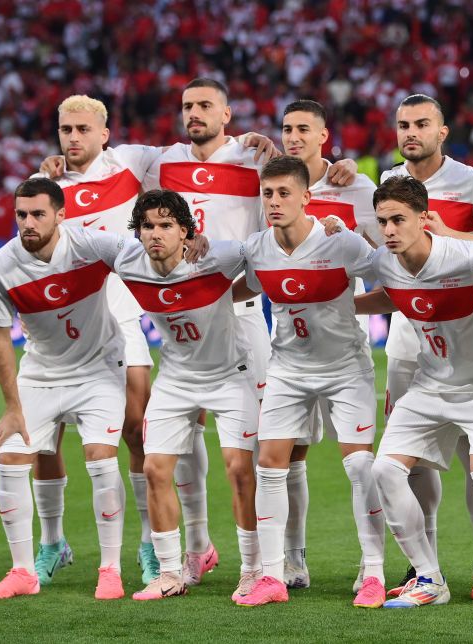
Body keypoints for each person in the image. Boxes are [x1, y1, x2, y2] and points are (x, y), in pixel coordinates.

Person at [33, 93, 267, 586]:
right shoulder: (61, 189)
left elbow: (276, 224)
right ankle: (191, 548)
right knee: (167, 443)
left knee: (265, 454)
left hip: (232, 314)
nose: (73, 138)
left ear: (104, 131)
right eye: (65, 130)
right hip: (155, 316)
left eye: (82, 129)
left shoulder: (145, 159)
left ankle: (274, 564)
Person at [141, 79, 357, 586]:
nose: (194, 113)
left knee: (278, 448)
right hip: (186, 319)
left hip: (242, 314)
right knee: (182, 434)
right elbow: (94, 159)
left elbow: (302, 180)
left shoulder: (254, 157)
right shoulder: (157, 160)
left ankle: (287, 557)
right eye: (187, 106)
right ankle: (197, 547)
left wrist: (339, 168)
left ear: (227, 112)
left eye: (205, 105)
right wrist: (55, 166)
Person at [355, 176, 473, 611]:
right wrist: (346, 305)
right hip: (430, 385)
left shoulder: (471, 260)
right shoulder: (385, 261)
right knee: (384, 470)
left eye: (398, 220)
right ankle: (428, 577)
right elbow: (393, 296)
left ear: (424, 219)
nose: (389, 230)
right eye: (383, 221)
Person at [230, 156, 386, 608]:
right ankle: (274, 576)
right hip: (288, 369)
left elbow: (390, 275)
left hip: (346, 367)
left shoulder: (341, 244)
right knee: (270, 465)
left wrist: (351, 309)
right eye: (267, 194)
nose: (274, 202)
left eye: (283, 193)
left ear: (306, 197)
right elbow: (244, 284)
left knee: (359, 467)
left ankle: (373, 570)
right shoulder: (257, 247)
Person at [0, 177, 129, 601]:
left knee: (101, 459)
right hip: (41, 371)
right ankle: (23, 572)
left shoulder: (91, 246)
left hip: (99, 368)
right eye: (21, 214)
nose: (27, 223)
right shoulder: (1, 265)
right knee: (9, 459)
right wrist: (11, 406)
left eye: (38, 214)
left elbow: (142, 261)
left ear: (60, 215)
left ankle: (110, 569)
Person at [378, 94, 473, 602]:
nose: (412, 132)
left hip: (468, 333)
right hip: (409, 342)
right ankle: (421, 566)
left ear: (442, 131)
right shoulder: (387, 183)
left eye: (422, 124)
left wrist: (451, 232)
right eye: (404, 124)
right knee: (415, 462)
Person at [113, 189, 260, 602]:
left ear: (185, 231)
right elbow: (78, 241)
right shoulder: (128, 260)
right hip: (176, 378)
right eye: (147, 226)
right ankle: (169, 574)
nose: (155, 234)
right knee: (156, 469)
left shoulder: (218, 257)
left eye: (165, 225)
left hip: (231, 375)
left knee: (238, 469)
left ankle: (253, 570)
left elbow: (263, 254)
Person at [276, 98, 380, 590]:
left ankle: (370, 562)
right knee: (288, 457)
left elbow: (387, 253)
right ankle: (293, 560)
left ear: (324, 135)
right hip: (287, 351)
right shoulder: (271, 185)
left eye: (303, 129)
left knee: (358, 462)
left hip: (341, 349)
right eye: (285, 128)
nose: (292, 136)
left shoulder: (357, 187)